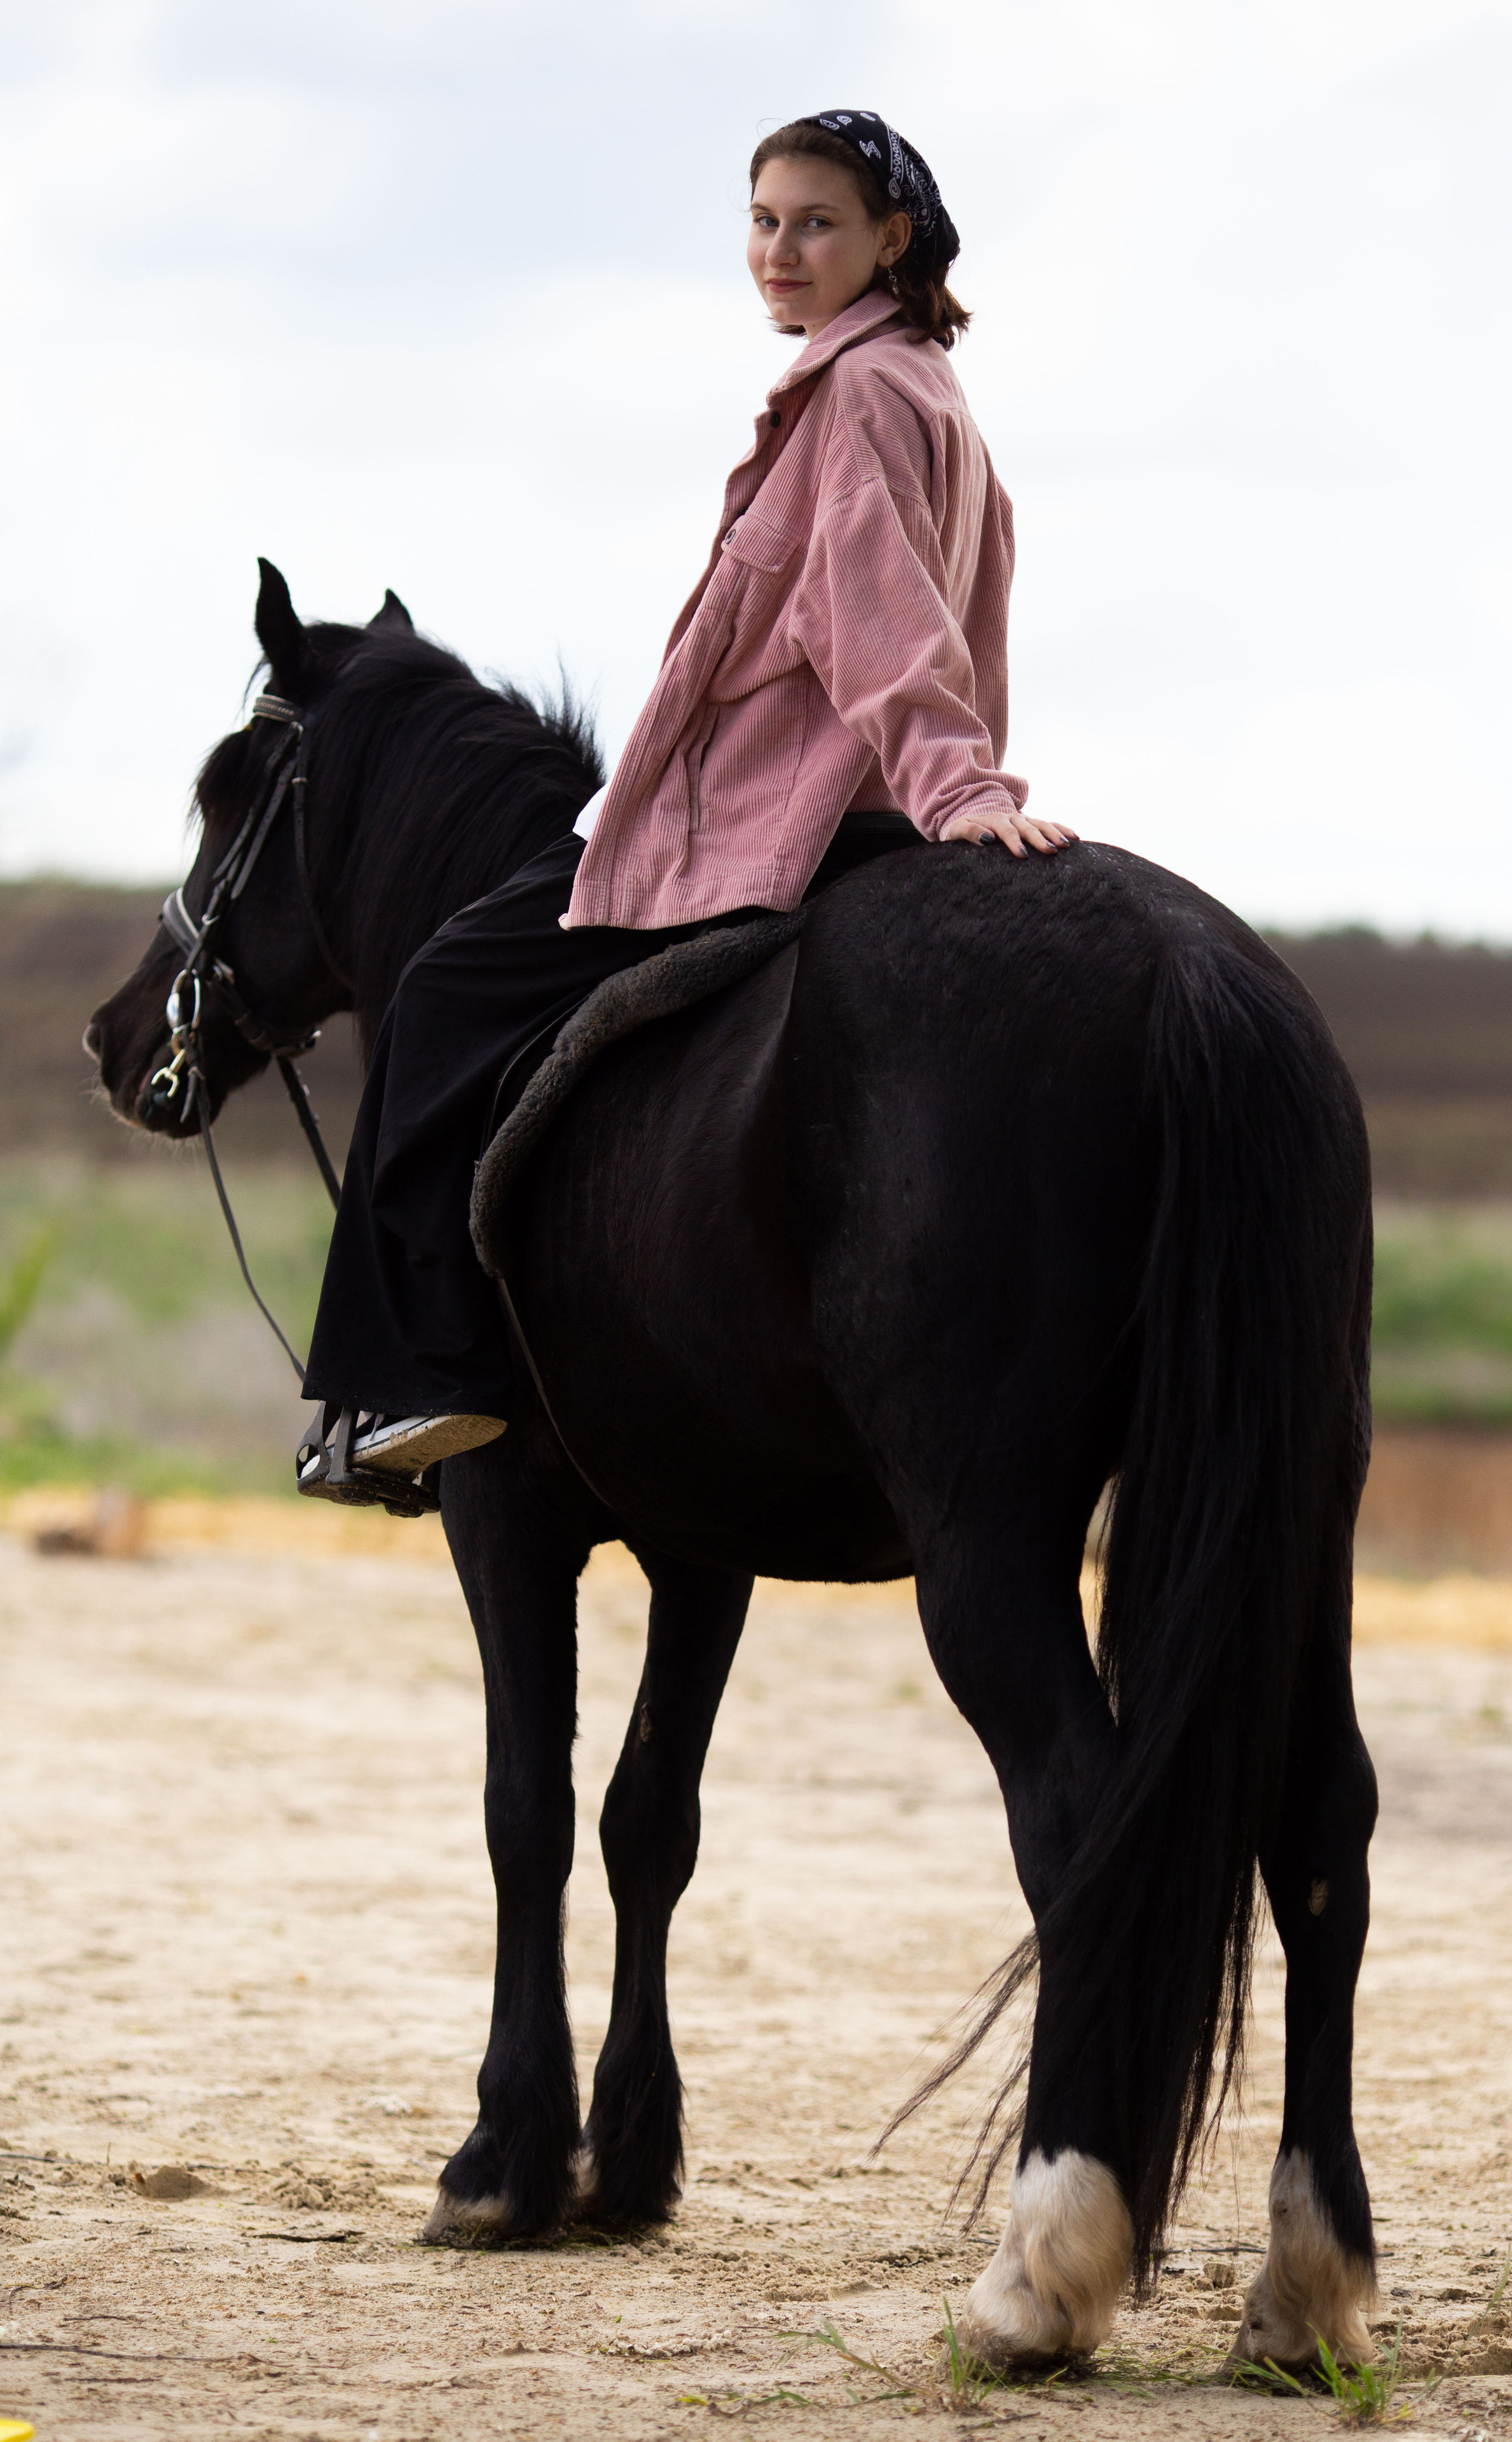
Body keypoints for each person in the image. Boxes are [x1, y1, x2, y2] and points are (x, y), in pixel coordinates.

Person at [298, 109, 1075, 1503]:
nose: (780, 251)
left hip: (760, 826)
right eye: (763, 220)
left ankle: (423, 1381)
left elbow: (882, 618)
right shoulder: (927, 388)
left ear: (890, 239)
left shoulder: (850, 401)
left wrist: (959, 787)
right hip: (856, 811)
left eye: (816, 223)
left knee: (441, 992)